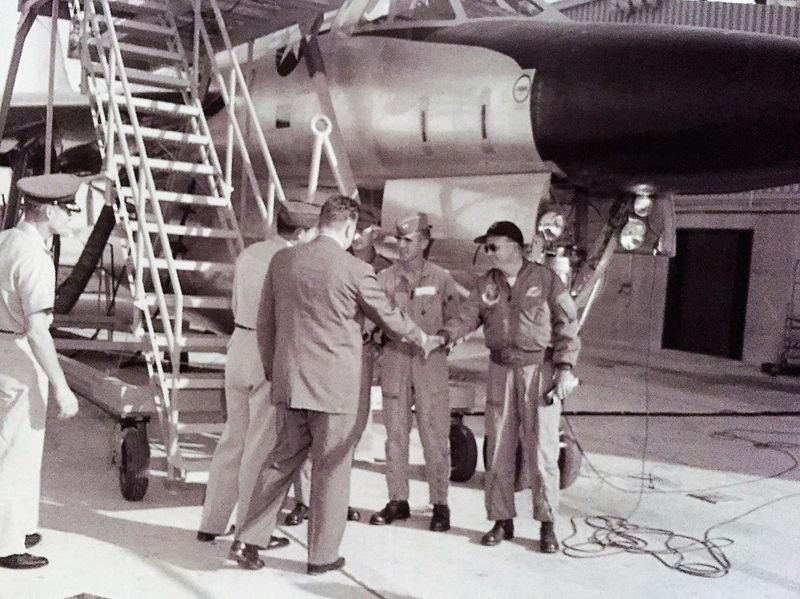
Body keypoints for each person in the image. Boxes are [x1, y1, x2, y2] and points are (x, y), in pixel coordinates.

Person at [231, 194, 441, 573]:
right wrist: (421, 336)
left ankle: (247, 541)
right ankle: (321, 556)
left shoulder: (283, 260)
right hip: (336, 391)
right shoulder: (355, 269)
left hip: (291, 383)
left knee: (279, 462)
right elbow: (390, 318)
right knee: (331, 469)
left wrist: (273, 371)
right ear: (347, 226)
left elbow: (266, 324)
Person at [441, 221, 580, 554]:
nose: (487, 252)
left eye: (493, 246)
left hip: (540, 371)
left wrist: (564, 368)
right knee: (498, 446)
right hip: (501, 369)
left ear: (515, 248)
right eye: (486, 246)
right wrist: (446, 335)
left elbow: (567, 326)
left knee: (543, 449)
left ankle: (547, 524)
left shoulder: (546, 280)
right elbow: (467, 316)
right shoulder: (486, 284)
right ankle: (502, 520)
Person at [197, 201, 319, 550]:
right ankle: (249, 532)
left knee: (232, 439)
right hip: (268, 349)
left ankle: (211, 522)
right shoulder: (291, 261)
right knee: (260, 447)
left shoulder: (250, 254)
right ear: (301, 232)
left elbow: (237, 303)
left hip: (238, 344)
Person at [0, 173, 81, 569]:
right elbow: (37, 331)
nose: (72, 219)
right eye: (68, 210)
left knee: (8, 445)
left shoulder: (5, 240)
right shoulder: (35, 259)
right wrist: (61, 386)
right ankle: (8, 545)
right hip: (16, 354)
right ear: (49, 210)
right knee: (17, 452)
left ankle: (19, 525)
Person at [369, 213, 461, 532]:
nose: (402, 246)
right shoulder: (384, 279)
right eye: (399, 240)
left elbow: (456, 319)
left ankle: (440, 504)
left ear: (423, 242)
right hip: (395, 360)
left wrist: (444, 338)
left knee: (435, 436)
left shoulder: (441, 278)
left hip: (429, 362)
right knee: (395, 436)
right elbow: (374, 319)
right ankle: (398, 500)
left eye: (409, 240)